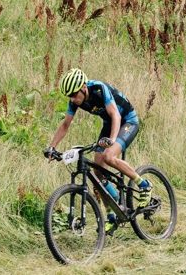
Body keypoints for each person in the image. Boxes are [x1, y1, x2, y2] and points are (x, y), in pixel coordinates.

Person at [44, 68, 151, 235]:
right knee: (97, 173)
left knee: (109, 156)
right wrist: (52, 147)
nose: (73, 99)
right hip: (109, 125)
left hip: (127, 121)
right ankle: (114, 207)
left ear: (83, 88)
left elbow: (115, 115)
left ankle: (144, 185)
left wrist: (112, 140)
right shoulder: (74, 101)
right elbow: (65, 125)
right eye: (69, 96)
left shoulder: (99, 88)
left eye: (74, 94)